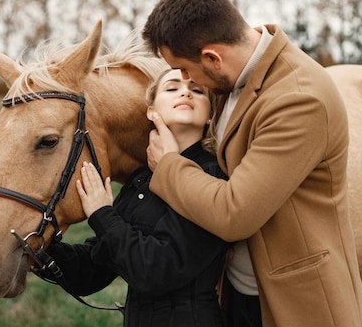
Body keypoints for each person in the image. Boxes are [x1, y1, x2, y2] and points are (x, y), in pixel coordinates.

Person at [142, 0, 362, 327]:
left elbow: (235, 213)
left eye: (186, 70)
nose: (187, 81)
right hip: (240, 289)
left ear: (213, 57)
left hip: (297, 301)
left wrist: (168, 165)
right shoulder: (232, 77)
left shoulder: (298, 99)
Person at [46, 68, 229, 327]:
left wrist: (101, 214)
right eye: (172, 87)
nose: (186, 91)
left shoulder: (213, 175)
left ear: (210, 115)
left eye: (197, 90)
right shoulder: (142, 177)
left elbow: (158, 269)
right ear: (151, 111)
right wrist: (43, 246)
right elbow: (93, 270)